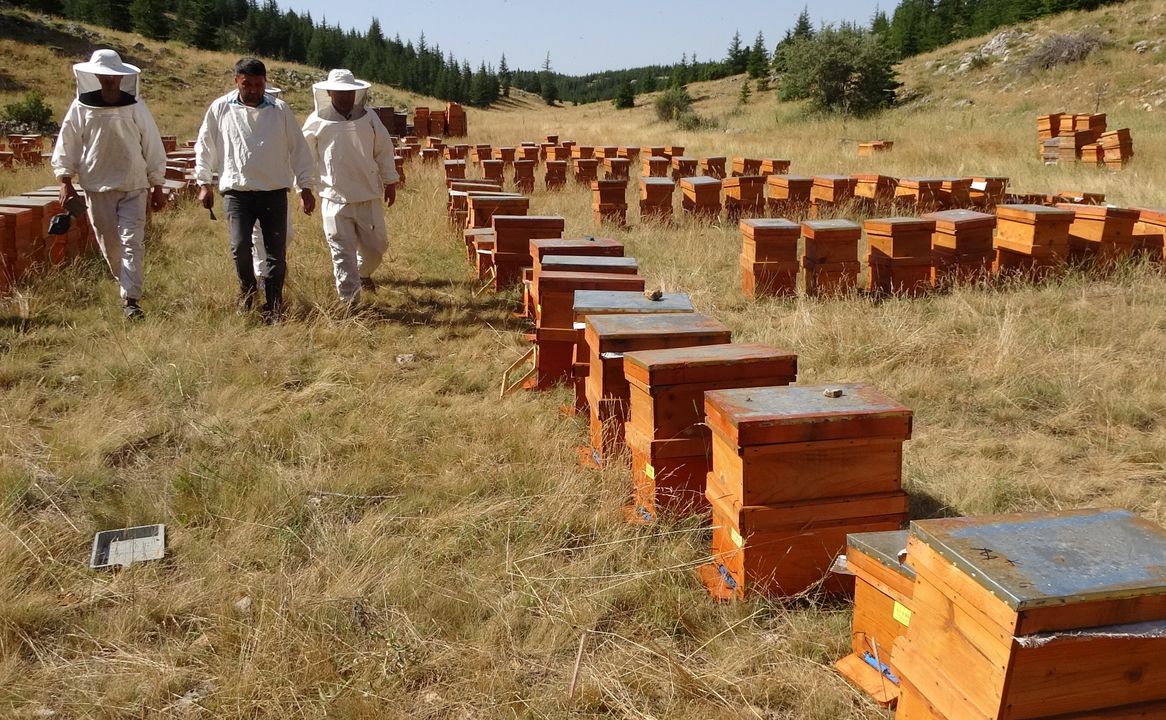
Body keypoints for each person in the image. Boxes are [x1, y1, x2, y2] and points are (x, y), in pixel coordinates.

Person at [194, 58, 317, 323]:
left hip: (274, 191)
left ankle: (273, 306)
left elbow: (299, 149)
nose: (253, 89)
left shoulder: (279, 109)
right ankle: (248, 294)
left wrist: (305, 186)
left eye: (258, 84)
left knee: (276, 252)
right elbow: (205, 146)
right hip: (237, 192)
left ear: (265, 82)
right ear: (236, 80)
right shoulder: (221, 108)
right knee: (239, 247)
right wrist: (204, 183)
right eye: (247, 83)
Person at [51, 49, 167, 319]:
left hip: (134, 184)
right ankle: (125, 284)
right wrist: (65, 181)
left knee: (132, 243)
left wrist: (157, 184)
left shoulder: (136, 105)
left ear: (122, 76)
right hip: (96, 184)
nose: (110, 79)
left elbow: (152, 145)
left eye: (115, 75)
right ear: (96, 76)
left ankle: (131, 301)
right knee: (110, 245)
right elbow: (67, 143)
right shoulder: (81, 107)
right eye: (105, 74)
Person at [301, 68, 398, 305]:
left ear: (357, 93)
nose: (345, 97)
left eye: (349, 92)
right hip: (333, 197)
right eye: (339, 92)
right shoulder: (316, 121)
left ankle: (363, 273)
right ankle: (350, 305)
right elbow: (304, 158)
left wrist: (390, 181)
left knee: (377, 248)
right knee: (342, 253)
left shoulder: (370, 117)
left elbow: (384, 150)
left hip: (368, 193)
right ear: (330, 92)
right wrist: (304, 189)